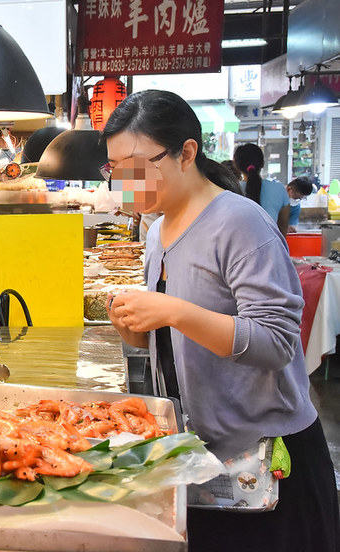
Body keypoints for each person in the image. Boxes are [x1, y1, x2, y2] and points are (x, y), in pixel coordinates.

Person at [103, 89, 339, 552]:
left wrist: (172, 310)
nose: (124, 182)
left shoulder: (240, 222)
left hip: (267, 461)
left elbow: (276, 342)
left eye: (136, 166)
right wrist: (138, 330)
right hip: (203, 455)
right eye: (114, 169)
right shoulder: (158, 230)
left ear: (187, 152)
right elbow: (184, 340)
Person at [233, 143, 290, 235]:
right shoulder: (279, 189)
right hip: (271, 243)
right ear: (263, 163)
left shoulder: (231, 190)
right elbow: (283, 229)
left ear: (236, 165)